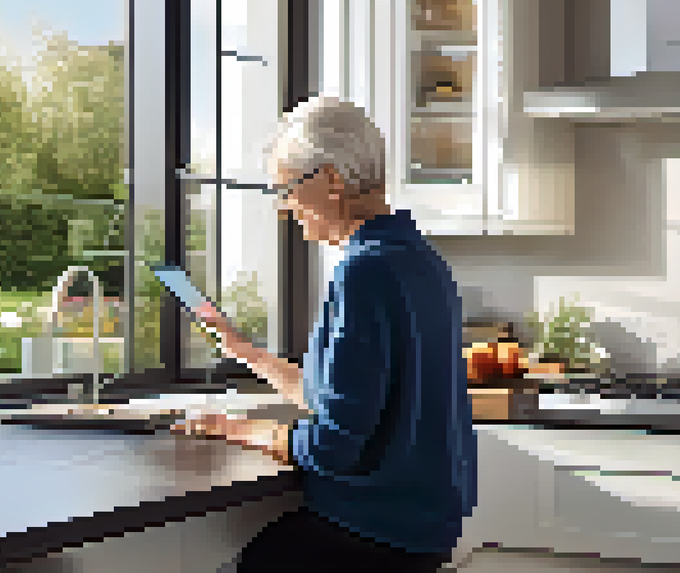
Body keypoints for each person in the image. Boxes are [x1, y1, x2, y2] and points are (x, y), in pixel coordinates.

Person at [172, 95, 477, 573]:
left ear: (331, 181)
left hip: (376, 531)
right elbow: (338, 400)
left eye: (287, 189)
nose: (283, 208)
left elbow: (333, 446)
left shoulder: (363, 272)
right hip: (422, 531)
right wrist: (242, 349)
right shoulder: (421, 261)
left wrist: (236, 429)